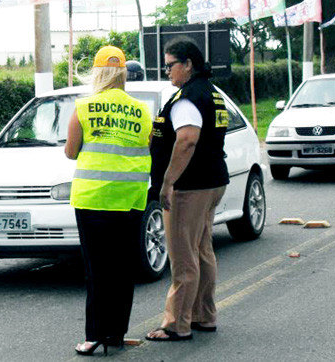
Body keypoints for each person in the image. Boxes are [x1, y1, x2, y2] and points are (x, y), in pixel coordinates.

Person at [65, 45, 153, 355]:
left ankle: (94, 336)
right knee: (122, 267)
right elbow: (147, 147)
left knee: (97, 268)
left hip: (93, 198)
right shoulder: (142, 110)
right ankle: (116, 333)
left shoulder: (85, 107)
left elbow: (70, 151)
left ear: (98, 72)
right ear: (124, 74)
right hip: (130, 198)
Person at [146, 37, 229, 342]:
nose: (167, 71)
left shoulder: (188, 98)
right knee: (202, 251)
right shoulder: (211, 92)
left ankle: (176, 324)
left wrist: (167, 182)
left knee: (182, 258)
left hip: (189, 187)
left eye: (170, 65)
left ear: (188, 64)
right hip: (212, 181)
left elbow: (187, 140)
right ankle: (203, 315)